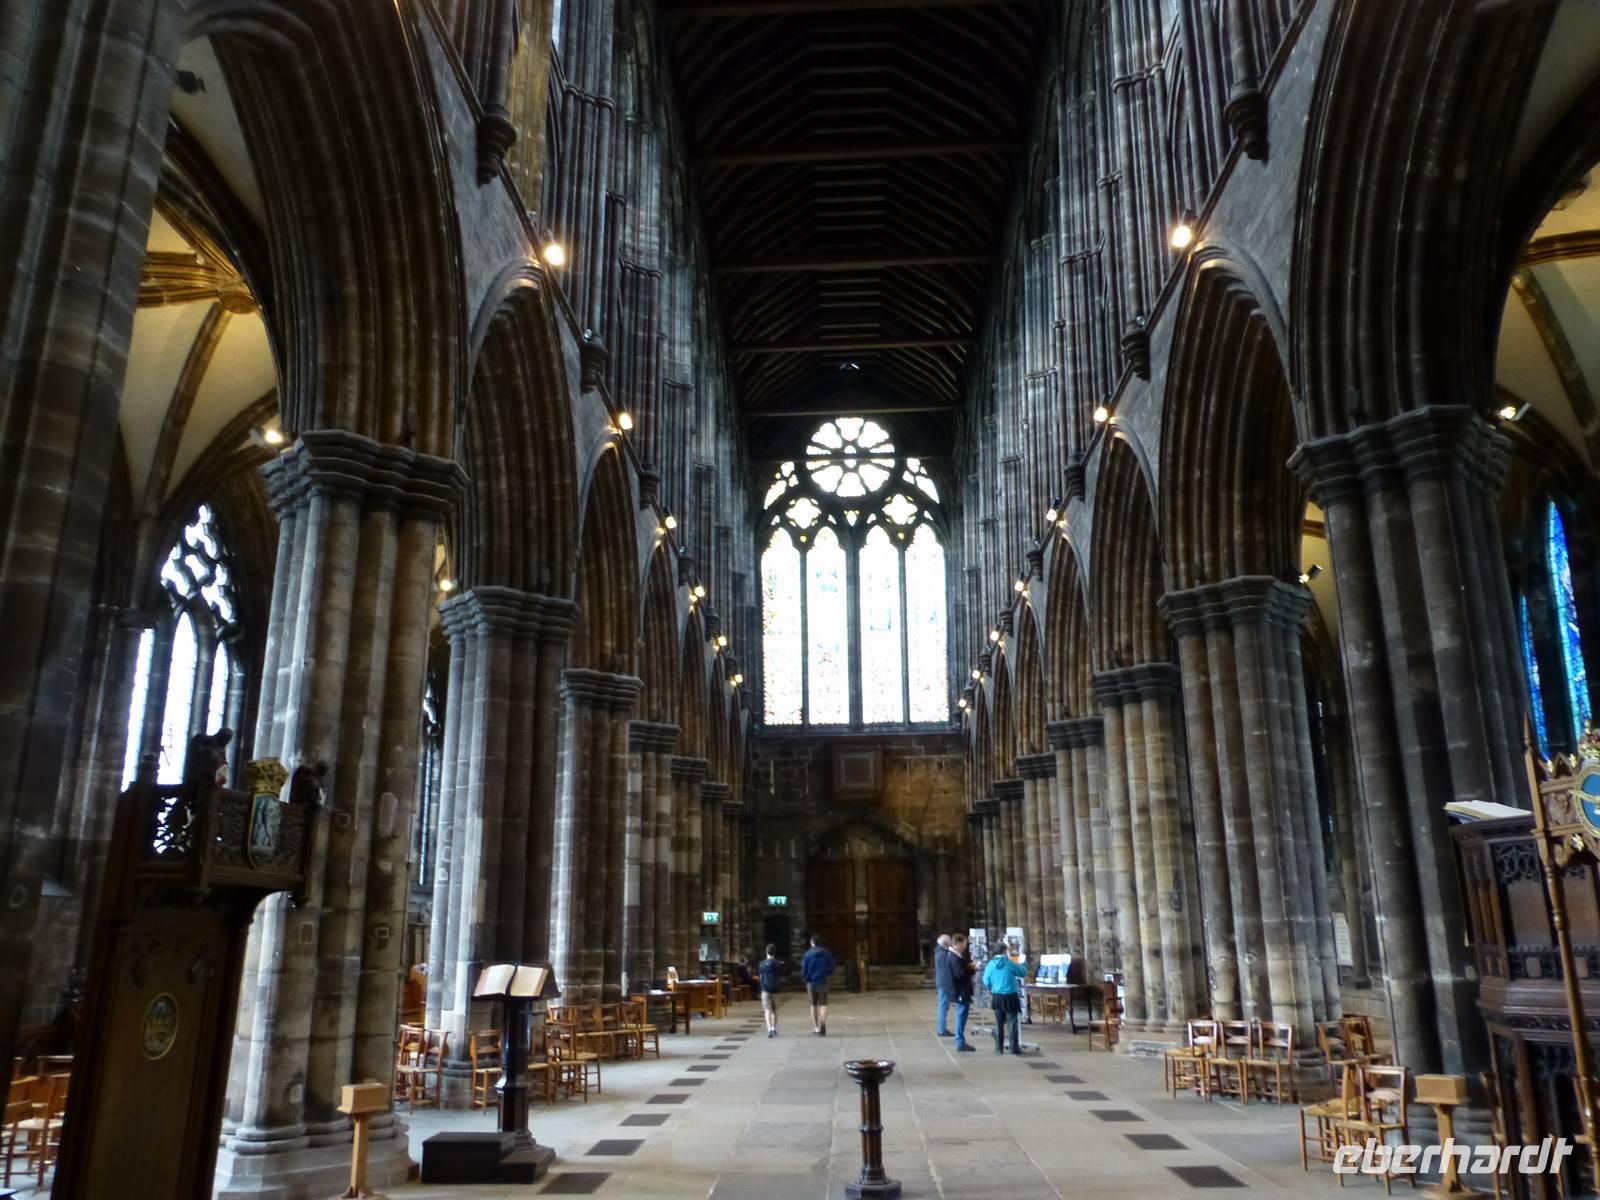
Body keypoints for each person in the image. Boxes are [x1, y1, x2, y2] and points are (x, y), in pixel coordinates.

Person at [983, 945, 1028, 1055]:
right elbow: (1022, 973)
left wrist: (993, 986)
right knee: (1012, 1022)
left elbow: (986, 981)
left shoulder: (990, 965)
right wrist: (1024, 964)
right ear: (1004, 951)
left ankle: (999, 1048)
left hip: (997, 996)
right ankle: (1014, 1048)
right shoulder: (1009, 963)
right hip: (1010, 995)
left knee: (998, 1022)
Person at [940, 933, 976, 1051]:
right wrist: (971, 969)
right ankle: (960, 1041)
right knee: (961, 1015)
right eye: (964, 944)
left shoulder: (953, 955)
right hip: (960, 991)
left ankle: (960, 1040)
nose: (965, 947)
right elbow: (959, 974)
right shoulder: (954, 957)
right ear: (958, 944)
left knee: (962, 1015)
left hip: (960, 990)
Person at [801, 934, 835, 1036]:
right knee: (823, 1004)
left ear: (812, 942)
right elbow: (832, 966)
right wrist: (827, 974)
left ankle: (816, 1027)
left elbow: (804, 969)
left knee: (813, 1005)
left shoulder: (807, 954)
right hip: (823, 981)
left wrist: (806, 979)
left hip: (811, 982)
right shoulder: (826, 953)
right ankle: (823, 1024)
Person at [758, 944, 784, 1037]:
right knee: (775, 1009)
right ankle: (774, 1028)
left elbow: (760, 976)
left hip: (765, 989)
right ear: (775, 952)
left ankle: (769, 1029)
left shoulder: (762, 964)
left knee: (767, 1010)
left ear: (766, 952)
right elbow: (781, 974)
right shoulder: (778, 964)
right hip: (776, 988)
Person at [933, 933, 953, 1036]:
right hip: (944, 983)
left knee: (944, 1005)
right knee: (943, 1006)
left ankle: (942, 1028)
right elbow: (946, 971)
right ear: (946, 943)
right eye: (950, 941)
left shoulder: (940, 952)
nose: (951, 943)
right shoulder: (942, 954)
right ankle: (941, 1029)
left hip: (942, 982)